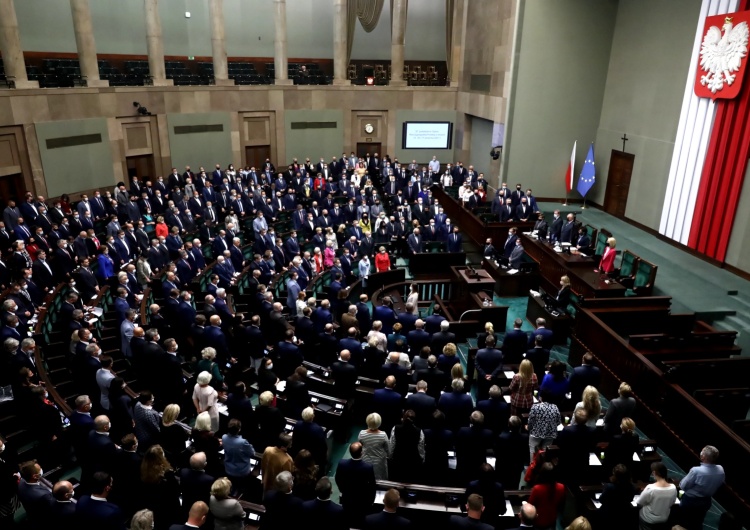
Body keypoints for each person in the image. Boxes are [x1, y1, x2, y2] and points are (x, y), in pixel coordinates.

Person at [679, 445, 725, 530]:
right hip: (706, 501)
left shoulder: (696, 470)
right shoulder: (721, 469)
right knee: (698, 522)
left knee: (684, 522)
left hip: (690, 501)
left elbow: (683, 485)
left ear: (703, 456)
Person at [335, 442, 376, 526]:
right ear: (361, 452)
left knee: (347, 519)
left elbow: (337, 479)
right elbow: (372, 486)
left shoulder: (342, 464)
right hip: (362, 500)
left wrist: (342, 490)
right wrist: (371, 500)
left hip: (347, 498)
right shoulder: (368, 467)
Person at [637, 462, 677, 530]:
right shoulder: (673, 487)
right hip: (664, 519)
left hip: (648, 519)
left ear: (654, 473)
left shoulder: (650, 488)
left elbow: (640, 502)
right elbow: (672, 503)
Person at [388, 410, 425, 481]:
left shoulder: (395, 428)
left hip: (398, 460)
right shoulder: (419, 431)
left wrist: (390, 457)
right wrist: (422, 460)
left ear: (403, 418)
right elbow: (420, 449)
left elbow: (392, 444)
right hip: (413, 462)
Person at [599, 464, 638, 530]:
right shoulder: (632, 487)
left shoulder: (609, 487)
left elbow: (601, 500)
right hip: (624, 515)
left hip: (609, 515)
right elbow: (630, 499)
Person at [527, 462, 565, 530]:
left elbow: (530, 504)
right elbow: (560, 504)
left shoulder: (537, 489)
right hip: (552, 520)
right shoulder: (561, 487)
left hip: (538, 521)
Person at [222, 419, 255, 496]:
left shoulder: (224, 437)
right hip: (241, 471)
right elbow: (252, 453)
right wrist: (250, 446)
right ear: (239, 429)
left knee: (232, 485)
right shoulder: (243, 442)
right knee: (241, 487)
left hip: (228, 469)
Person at [527, 390, 561, 461]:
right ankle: (543, 467)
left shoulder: (535, 407)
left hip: (536, 433)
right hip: (550, 433)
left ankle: (532, 467)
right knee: (545, 452)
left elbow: (530, 421)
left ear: (541, 398)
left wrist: (529, 428)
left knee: (533, 449)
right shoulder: (555, 407)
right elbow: (558, 422)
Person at [359, 412, 390, 480]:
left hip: (365, 460)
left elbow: (360, 446)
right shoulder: (383, 435)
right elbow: (388, 449)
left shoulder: (362, 433)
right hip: (379, 463)